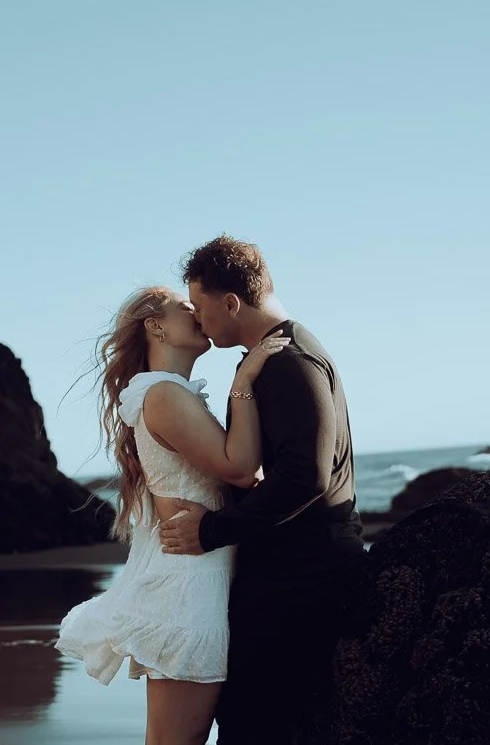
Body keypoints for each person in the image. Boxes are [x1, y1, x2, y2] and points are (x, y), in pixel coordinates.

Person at [56, 284, 288, 745]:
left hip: (196, 575)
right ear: (155, 326)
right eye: (186, 309)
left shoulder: (167, 393)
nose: (199, 314)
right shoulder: (162, 394)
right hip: (188, 588)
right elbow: (242, 470)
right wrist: (244, 381)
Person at [159, 235, 365, 745]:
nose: (199, 319)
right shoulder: (270, 357)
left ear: (231, 303)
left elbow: (306, 478)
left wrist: (212, 530)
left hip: (302, 581)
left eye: (202, 307)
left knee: (252, 724)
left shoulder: (290, 362)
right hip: (287, 574)